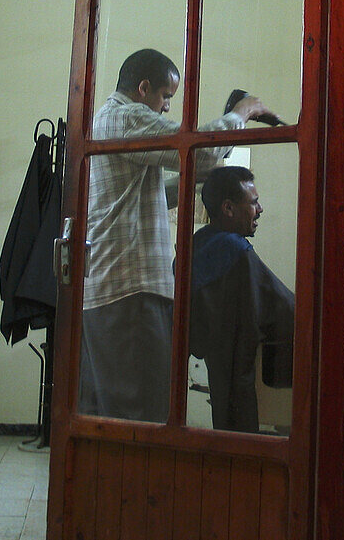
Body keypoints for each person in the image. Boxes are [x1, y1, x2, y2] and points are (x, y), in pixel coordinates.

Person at [80, 48, 275, 422]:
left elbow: (145, 190)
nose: (168, 107)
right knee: (146, 413)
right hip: (129, 291)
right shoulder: (127, 115)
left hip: (118, 289)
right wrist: (242, 112)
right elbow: (199, 151)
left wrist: (194, 176)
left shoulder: (108, 121)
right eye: (166, 97)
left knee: (125, 411)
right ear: (143, 88)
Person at [189, 165, 295, 433]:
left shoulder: (198, 243)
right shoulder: (236, 250)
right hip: (244, 368)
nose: (260, 210)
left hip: (217, 365)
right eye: (254, 203)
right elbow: (285, 308)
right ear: (228, 208)